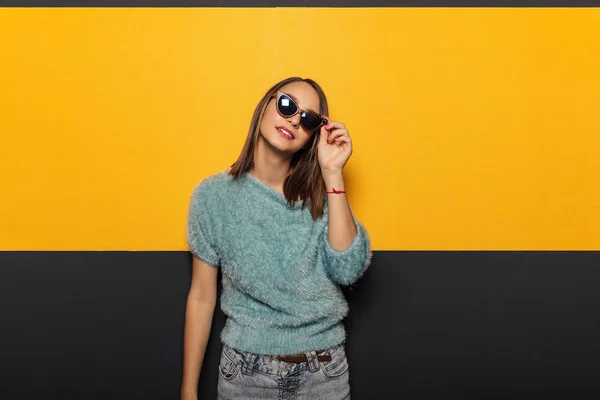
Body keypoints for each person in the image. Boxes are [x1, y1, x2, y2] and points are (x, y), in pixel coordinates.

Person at [181, 77, 372, 400]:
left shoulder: (321, 197)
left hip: (322, 372)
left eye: (309, 119)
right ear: (265, 106)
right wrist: (188, 389)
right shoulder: (211, 197)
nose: (294, 120)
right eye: (287, 105)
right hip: (246, 375)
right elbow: (201, 297)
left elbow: (348, 269)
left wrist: (333, 173)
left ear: (314, 135)